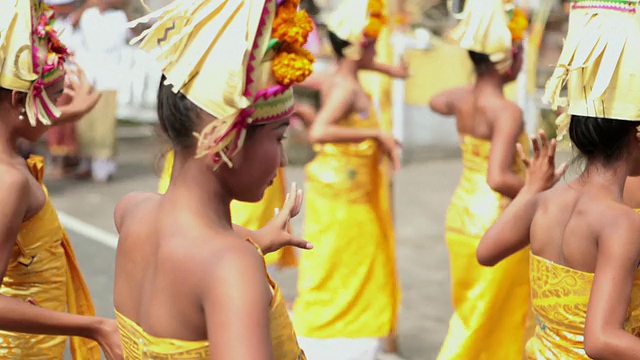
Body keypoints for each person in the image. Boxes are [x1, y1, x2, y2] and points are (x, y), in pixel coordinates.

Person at [113, 0, 314, 358]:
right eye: (279, 137)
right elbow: (214, 261)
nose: (283, 159)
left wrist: (257, 240)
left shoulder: (131, 212)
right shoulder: (232, 267)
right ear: (225, 141)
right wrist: (245, 254)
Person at [478, 0, 640, 358]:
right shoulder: (620, 222)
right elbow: (600, 340)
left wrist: (533, 189)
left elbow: (486, 251)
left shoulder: (546, 202)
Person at [0, 0, 121, 358]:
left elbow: (22, 117)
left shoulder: (9, 155)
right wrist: (94, 327)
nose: (59, 111)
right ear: (21, 98)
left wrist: (72, 111)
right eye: (54, 99)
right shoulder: (10, 182)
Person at [290, 1, 407, 359]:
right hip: (342, 189)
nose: (375, 46)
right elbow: (320, 132)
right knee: (350, 256)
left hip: (341, 184)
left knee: (343, 257)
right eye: (370, 41)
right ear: (356, 46)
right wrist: (377, 134)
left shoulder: (343, 75)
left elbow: (363, 62)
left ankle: (346, 326)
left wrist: (391, 71)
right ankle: (338, 329)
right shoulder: (344, 88)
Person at [429, 0, 533, 358]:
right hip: (496, 218)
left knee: (471, 312)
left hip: (461, 216)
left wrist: (468, 91)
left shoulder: (463, 100)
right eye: (517, 50)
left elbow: (435, 100)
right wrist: (541, 190)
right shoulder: (506, 111)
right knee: (489, 317)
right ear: (506, 58)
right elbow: (498, 177)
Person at [73, 0, 129, 182]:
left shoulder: (119, 17)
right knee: (85, 121)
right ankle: (86, 162)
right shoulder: (87, 15)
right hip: (88, 74)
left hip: (108, 76)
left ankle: (102, 167)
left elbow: (111, 43)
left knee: (104, 122)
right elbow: (78, 37)